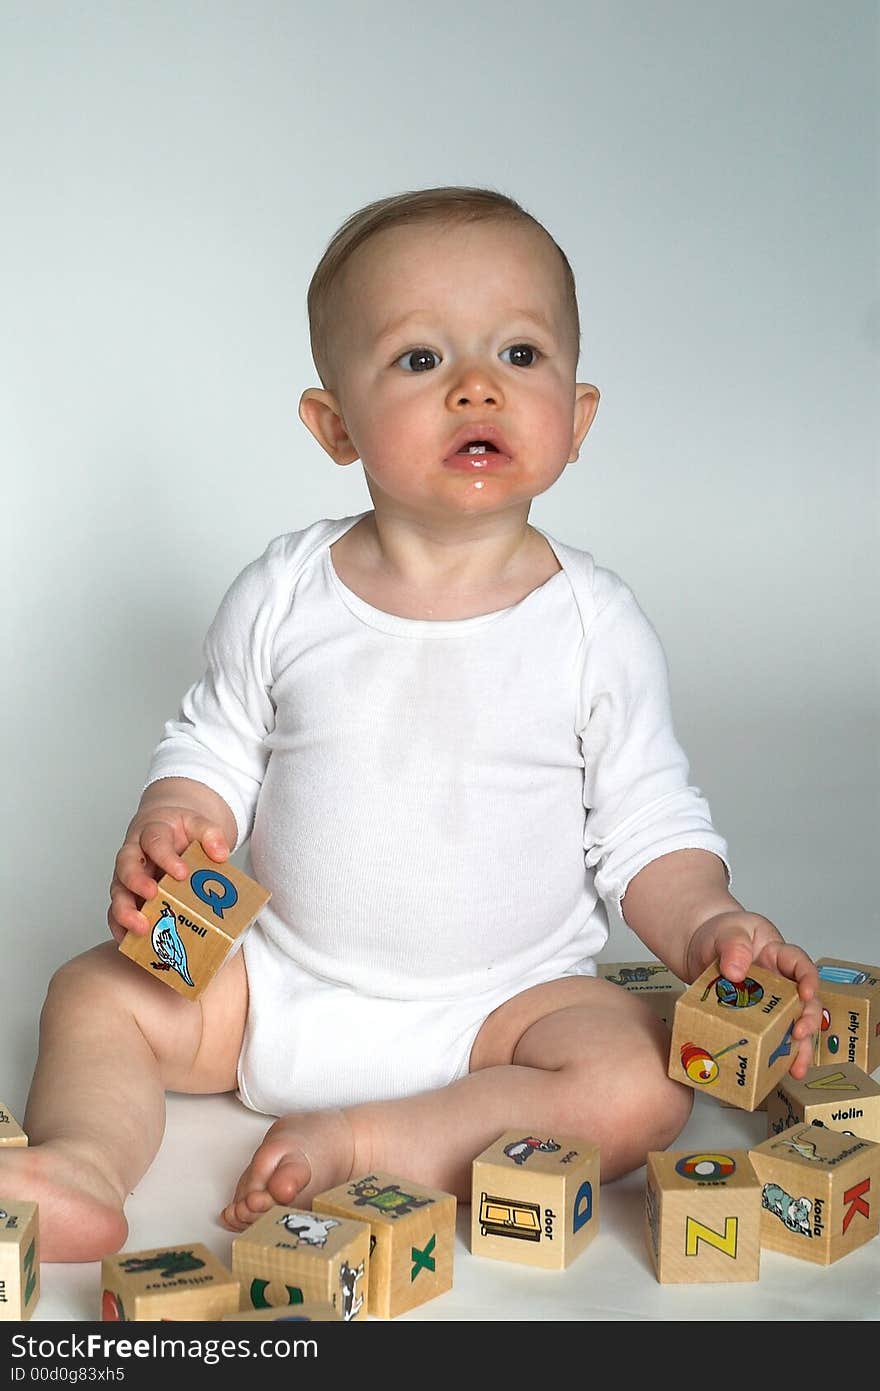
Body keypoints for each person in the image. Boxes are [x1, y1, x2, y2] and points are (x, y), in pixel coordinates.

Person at [4, 186, 821, 1262]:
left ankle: (374, 1139)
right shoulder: (285, 589)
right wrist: (173, 818)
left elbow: (646, 828)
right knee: (94, 992)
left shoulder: (593, 625)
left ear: (575, 418)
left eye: (520, 353)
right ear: (334, 425)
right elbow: (212, 745)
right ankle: (81, 1164)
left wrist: (713, 924)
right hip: (280, 986)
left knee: (638, 1081)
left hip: (506, 1014)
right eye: (420, 359)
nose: (478, 382)